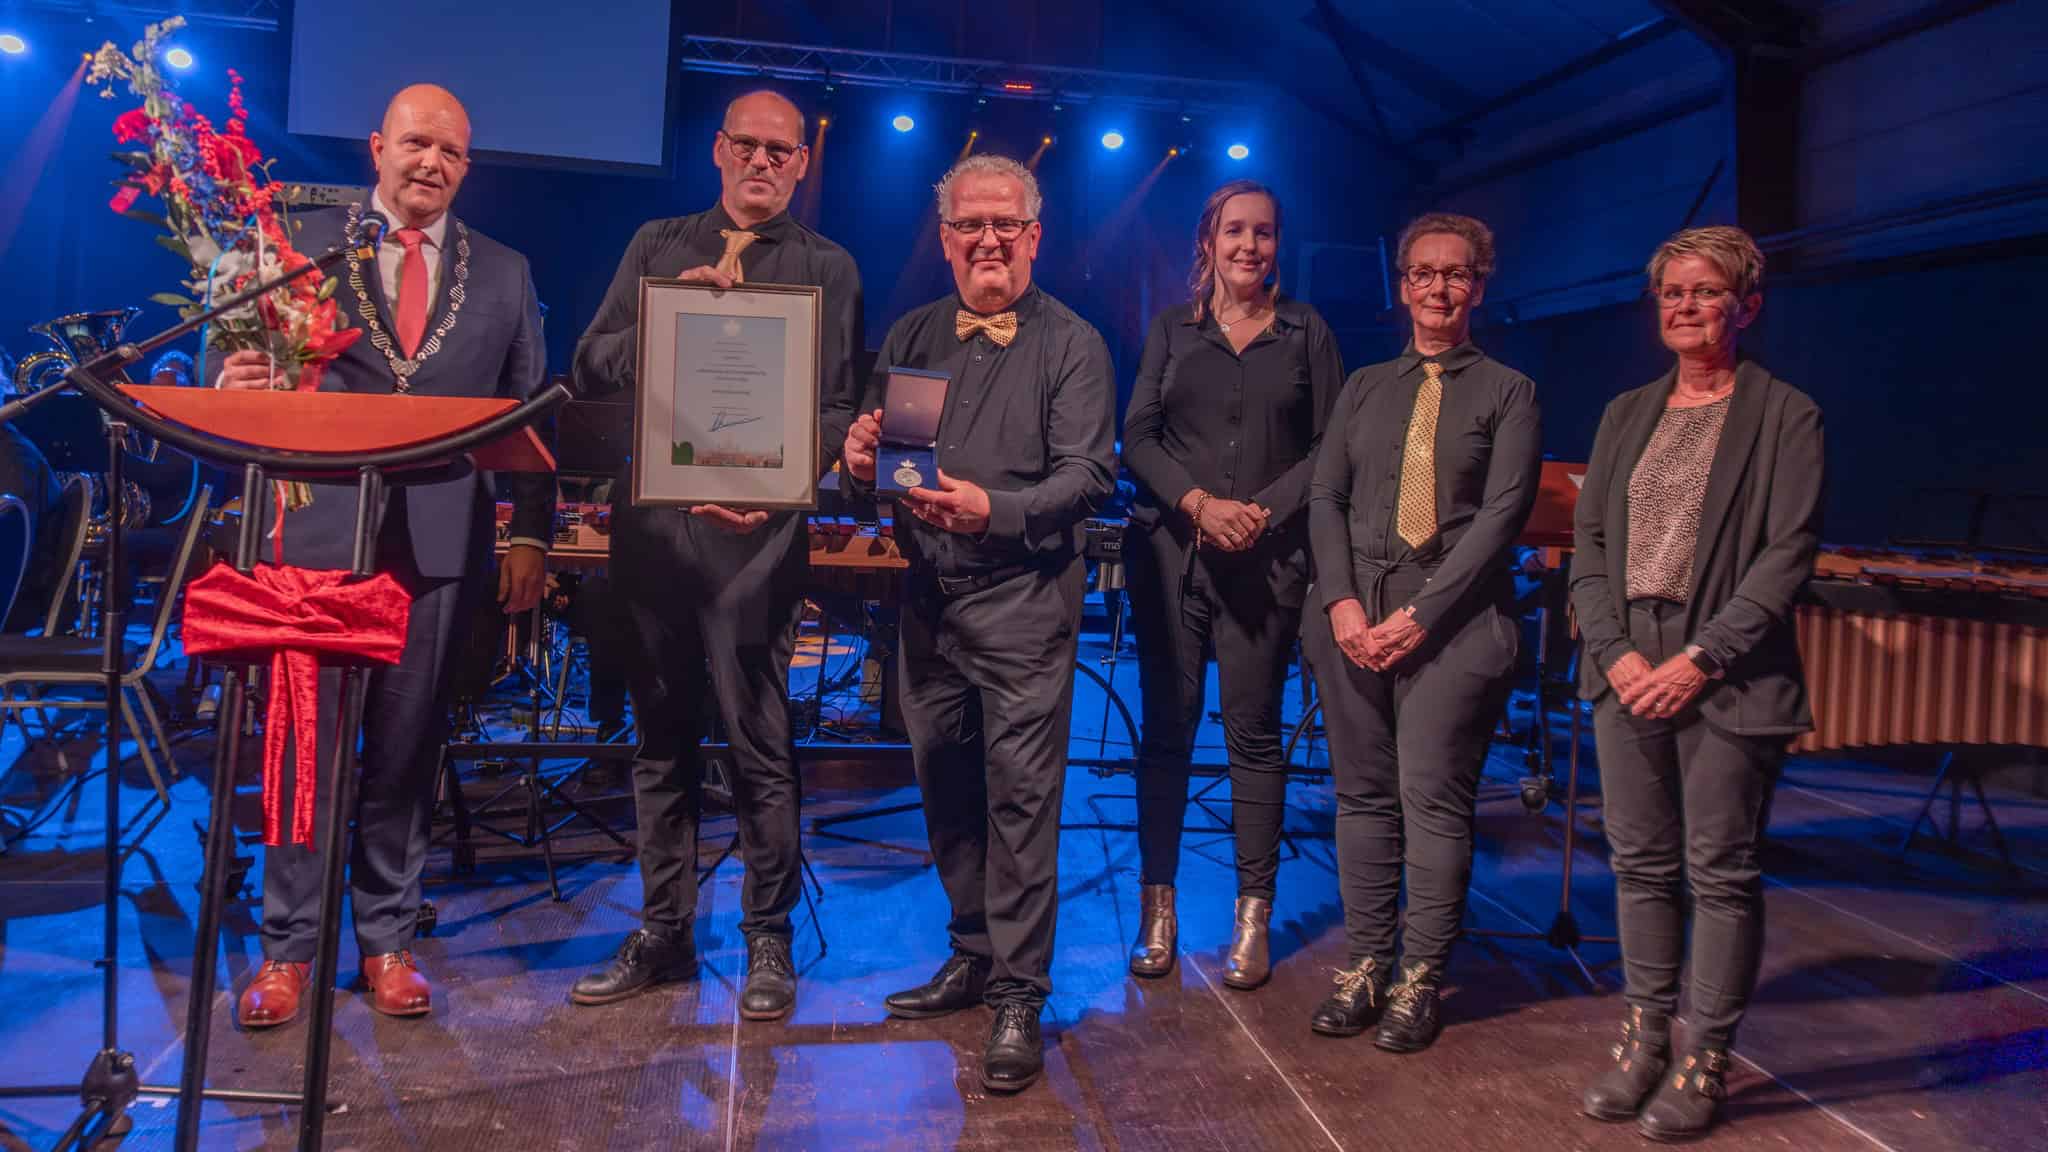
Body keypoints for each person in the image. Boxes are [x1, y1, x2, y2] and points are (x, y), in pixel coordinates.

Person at [216, 84, 552, 1028]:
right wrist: (231, 376)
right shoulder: (303, 254)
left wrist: (528, 530)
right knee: (304, 756)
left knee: (405, 755)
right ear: (376, 147)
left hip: (437, 545)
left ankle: (387, 940)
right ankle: (288, 949)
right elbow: (245, 369)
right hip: (317, 541)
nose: (430, 164)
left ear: (466, 168)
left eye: (450, 152)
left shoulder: (505, 272)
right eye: (415, 144)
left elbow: (529, 411)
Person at [569, 90, 862, 1021]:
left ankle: (767, 938)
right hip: (655, 533)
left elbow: (834, 406)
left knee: (759, 746)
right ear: (719, 149)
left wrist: (775, 488)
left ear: (803, 164)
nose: (765, 162)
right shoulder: (658, 245)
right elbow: (588, 361)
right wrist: (662, 325)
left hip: (756, 542)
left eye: (783, 151)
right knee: (660, 742)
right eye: (749, 145)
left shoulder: (831, 268)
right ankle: (664, 933)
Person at [843, 154, 1114, 1092]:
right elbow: (880, 467)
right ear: (947, 236)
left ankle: (1020, 994)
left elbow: (1089, 477)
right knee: (945, 784)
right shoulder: (916, 332)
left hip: (1024, 602)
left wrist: (988, 510)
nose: (988, 239)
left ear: (1034, 236)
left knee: (1022, 802)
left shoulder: (1075, 345)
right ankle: (970, 950)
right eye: (970, 225)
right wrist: (857, 452)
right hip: (928, 603)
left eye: (1006, 224)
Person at [1571, 226, 1822, 1142]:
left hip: (1725, 673)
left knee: (1718, 871)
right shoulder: (1625, 412)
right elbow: (1589, 547)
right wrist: (1615, 651)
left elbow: (1786, 554)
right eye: (1673, 291)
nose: (1684, 305)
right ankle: (1643, 1041)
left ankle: (1706, 1056)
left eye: (1706, 292)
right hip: (1627, 665)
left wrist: (1701, 658)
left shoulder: (1785, 413)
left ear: (1745, 305)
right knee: (1637, 865)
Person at [1300, 212, 1540, 1053]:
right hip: (1354, 619)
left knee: (1430, 799)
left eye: (1457, 274)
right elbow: (1325, 497)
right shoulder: (1365, 384)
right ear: (1402, 285)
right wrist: (1340, 603)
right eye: (1424, 274)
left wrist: (1420, 615)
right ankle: (1366, 962)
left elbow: (1502, 517)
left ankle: (1419, 977)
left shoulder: (1509, 391)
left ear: (1480, 284)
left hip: (1456, 622)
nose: (1440, 288)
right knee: (1362, 796)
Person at [1119, 179, 1341, 987]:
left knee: (1253, 737)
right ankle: (1159, 910)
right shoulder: (1170, 333)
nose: (1251, 246)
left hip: (1266, 564)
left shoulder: (1306, 331)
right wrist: (1201, 504)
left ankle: (1253, 918)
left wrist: (1261, 511)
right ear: (1207, 241)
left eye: (1266, 233)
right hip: (1175, 559)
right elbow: (1136, 436)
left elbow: (1332, 448)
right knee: (1168, 734)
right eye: (1236, 231)